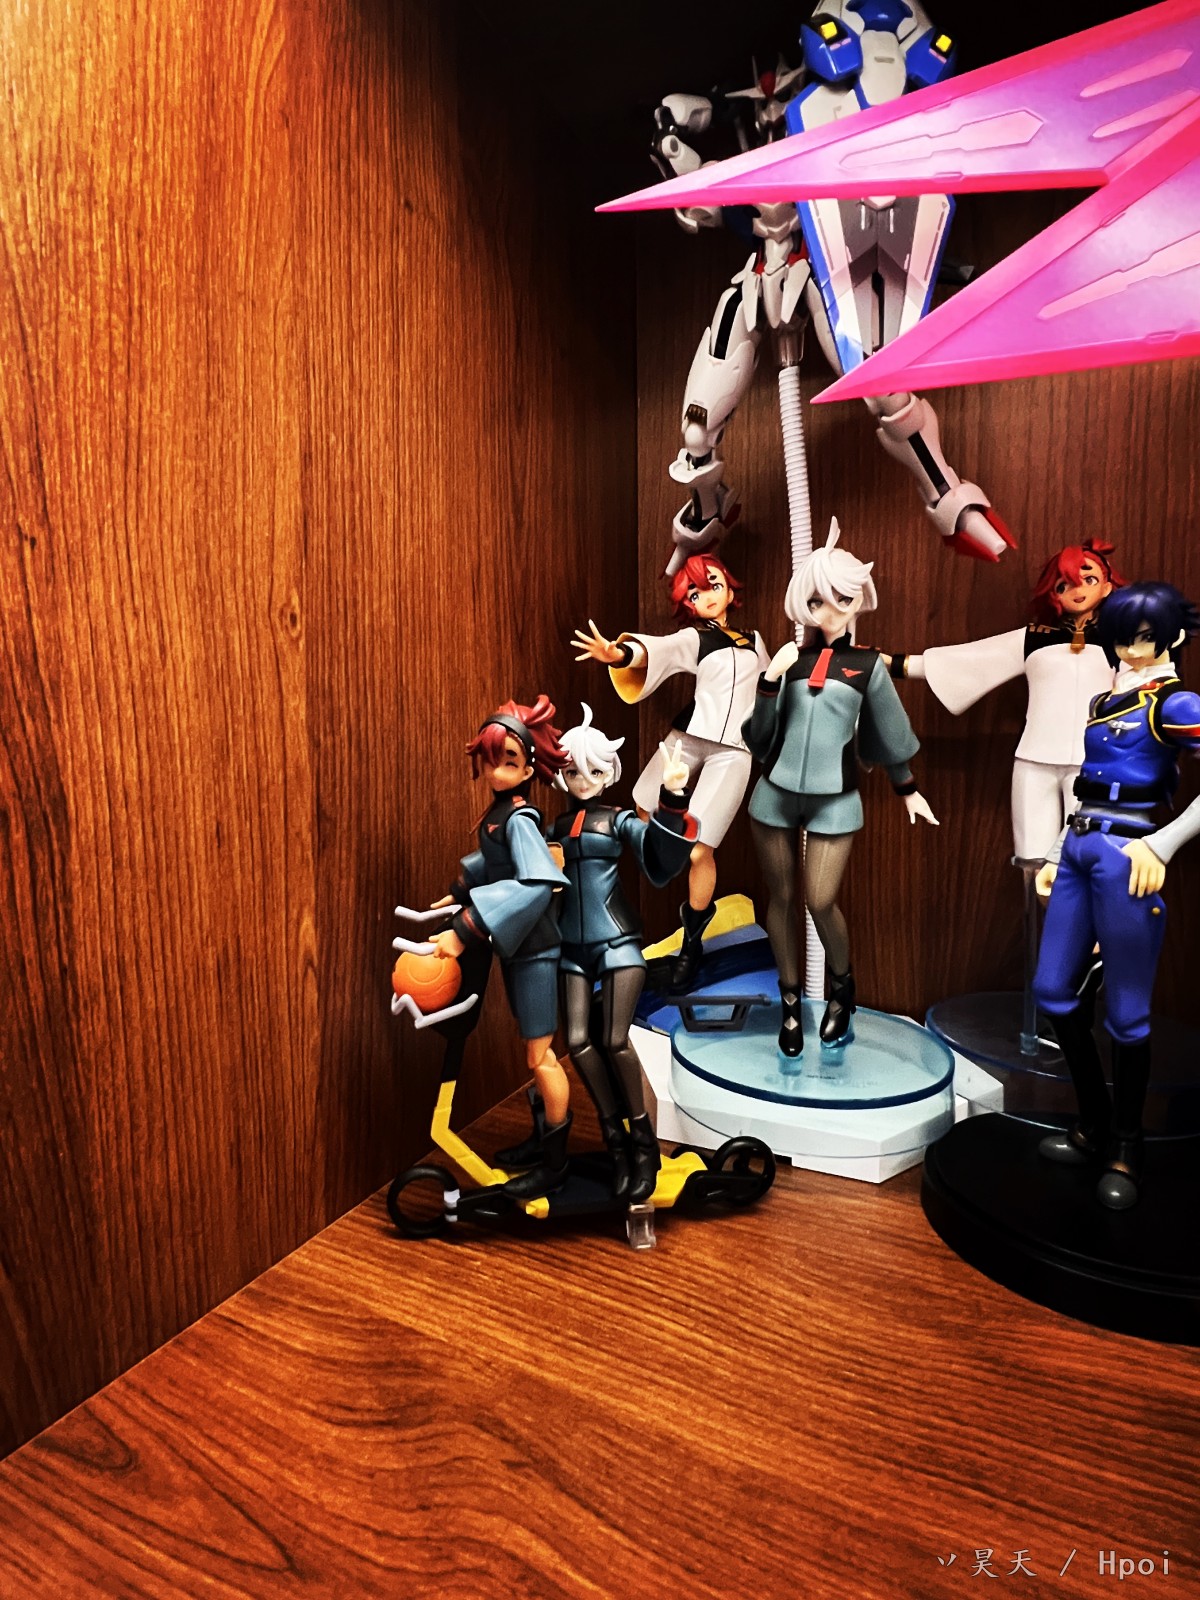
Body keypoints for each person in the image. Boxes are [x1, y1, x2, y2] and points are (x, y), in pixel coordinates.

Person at [742, 519, 938, 1059]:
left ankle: (842, 988)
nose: (828, 611)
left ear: (857, 602)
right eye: (817, 601)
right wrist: (768, 682)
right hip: (775, 792)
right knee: (781, 899)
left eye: (840, 599)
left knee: (820, 899)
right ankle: (789, 1001)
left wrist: (907, 788)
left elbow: (889, 729)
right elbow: (759, 739)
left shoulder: (867, 665)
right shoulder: (791, 662)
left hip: (836, 796)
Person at [1034, 582, 1200, 1209]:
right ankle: (1093, 1125)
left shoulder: (1174, 702)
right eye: (1123, 638)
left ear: (1171, 637)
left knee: (1128, 1014)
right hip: (1081, 847)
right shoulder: (1105, 699)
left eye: (1145, 638)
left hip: (1130, 857)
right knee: (1053, 990)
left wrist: (1164, 844)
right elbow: (1086, 785)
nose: (1132, 649)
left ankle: (1127, 1146)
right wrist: (1056, 853)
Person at [572, 554, 771, 991]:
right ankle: (657, 866)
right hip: (690, 738)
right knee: (642, 803)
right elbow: (657, 649)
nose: (706, 597)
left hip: (734, 752)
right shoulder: (695, 638)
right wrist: (618, 653)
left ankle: (692, 945)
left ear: (730, 588)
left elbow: (772, 685)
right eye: (694, 593)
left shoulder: (755, 642)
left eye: (713, 584)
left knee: (700, 852)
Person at [886, 539, 1124, 863]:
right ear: (1053, 593)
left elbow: (1146, 689)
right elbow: (972, 659)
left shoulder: (1122, 644)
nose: (1077, 589)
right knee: (1032, 859)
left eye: (1089, 579)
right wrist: (893, 664)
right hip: (1034, 759)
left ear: (1107, 587)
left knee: (1091, 856)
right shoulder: (1034, 638)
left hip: (1094, 761)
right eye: (1064, 584)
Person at [548, 706, 696, 1202]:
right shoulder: (554, 827)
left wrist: (672, 798)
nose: (583, 780)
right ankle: (615, 1140)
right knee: (577, 1042)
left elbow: (661, 856)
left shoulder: (618, 820)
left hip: (617, 942)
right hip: (571, 948)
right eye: (573, 771)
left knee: (614, 1041)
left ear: (608, 771)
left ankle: (643, 1144)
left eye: (593, 771)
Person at [431, 696, 571, 1200]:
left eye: (508, 761)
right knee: (530, 1050)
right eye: (491, 760)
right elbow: (494, 863)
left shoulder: (519, 819)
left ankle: (555, 1163)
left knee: (540, 1055)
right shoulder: (500, 814)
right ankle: (540, 1140)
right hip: (517, 949)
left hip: (535, 951)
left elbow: (536, 882)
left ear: (529, 768)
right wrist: (462, 889)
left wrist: (467, 926)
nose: (496, 771)